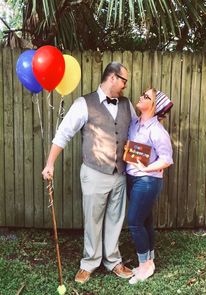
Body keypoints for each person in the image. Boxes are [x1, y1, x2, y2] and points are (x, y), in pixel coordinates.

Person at [42, 62, 137, 284]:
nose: (125, 85)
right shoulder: (83, 103)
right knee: (92, 220)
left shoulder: (127, 104)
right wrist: (50, 164)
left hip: (120, 174)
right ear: (112, 78)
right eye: (124, 80)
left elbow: (137, 130)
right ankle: (89, 263)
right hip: (94, 172)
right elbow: (64, 133)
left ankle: (113, 261)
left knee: (115, 219)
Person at [125, 88, 173, 284]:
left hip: (147, 181)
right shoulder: (135, 122)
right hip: (132, 178)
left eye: (147, 97)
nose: (141, 97)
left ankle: (145, 266)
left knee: (135, 222)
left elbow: (167, 160)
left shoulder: (157, 131)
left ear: (154, 106)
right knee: (145, 221)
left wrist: (146, 170)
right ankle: (149, 261)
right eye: (143, 94)